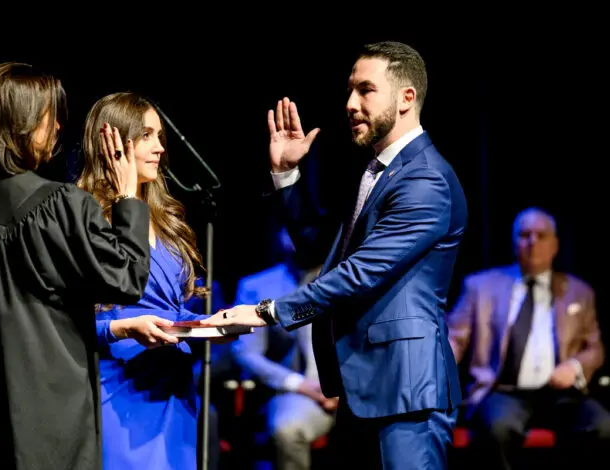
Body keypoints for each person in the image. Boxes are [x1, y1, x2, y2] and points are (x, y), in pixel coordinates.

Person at [203, 41, 468, 469]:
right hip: (363, 384)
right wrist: (286, 175)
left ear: (406, 98)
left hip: (407, 389)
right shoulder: (378, 172)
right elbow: (318, 254)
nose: (350, 103)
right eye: (350, 90)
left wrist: (265, 311)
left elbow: (360, 273)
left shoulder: (425, 179)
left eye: (365, 90)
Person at [0, 63, 177, 470]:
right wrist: (128, 197)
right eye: (49, 116)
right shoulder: (54, 206)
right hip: (45, 423)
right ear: (21, 123)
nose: (57, 127)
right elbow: (126, 278)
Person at [77, 92, 214, 470]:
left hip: (175, 383)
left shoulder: (166, 219)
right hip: (120, 385)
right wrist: (122, 328)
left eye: (160, 138)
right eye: (147, 136)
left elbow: (174, 303)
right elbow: (60, 322)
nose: (159, 149)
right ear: (115, 144)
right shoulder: (84, 217)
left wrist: (211, 325)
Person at [448, 207, 610, 469]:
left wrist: (576, 366)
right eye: (525, 235)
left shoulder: (579, 292)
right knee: (497, 429)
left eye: (541, 235)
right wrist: (435, 365)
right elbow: (454, 338)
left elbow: (595, 348)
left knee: (602, 426)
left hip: (562, 395)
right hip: (503, 391)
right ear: (514, 243)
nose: (532, 242)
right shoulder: (480, 287)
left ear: (555, 245)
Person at [230, 227, 335, 470]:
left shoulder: (350, 276)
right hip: (302, 390)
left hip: (358, 388)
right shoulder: (258, 286)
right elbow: (246, 353)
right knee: (287, 427)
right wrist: (300, 385)